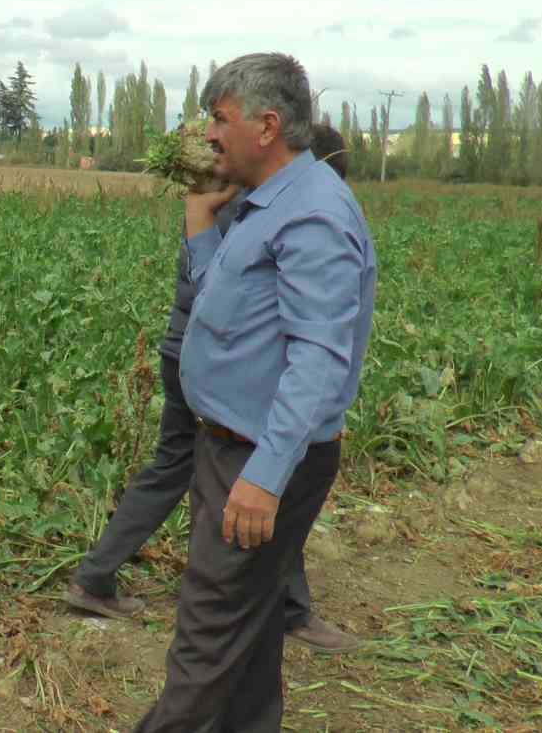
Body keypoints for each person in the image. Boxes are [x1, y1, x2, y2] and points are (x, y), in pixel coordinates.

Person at [132, 54, 377, 731]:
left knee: (208, 634)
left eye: (220, 119)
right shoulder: (268, 203)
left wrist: (265, 478)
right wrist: (200, 222)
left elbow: (318, 357)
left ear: (267, 127)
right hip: (231, 446)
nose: (209, 134)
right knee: (253, 625)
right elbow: (225, 301)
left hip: (258, 456)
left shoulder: (313, 216)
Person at [66, 123, 357, 654]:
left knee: (188, 468)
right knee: (265, 473)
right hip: (216, 365)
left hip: (189, 355)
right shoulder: (256, 212)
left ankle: (96, 576)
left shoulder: (232, 200)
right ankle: (287, 610)